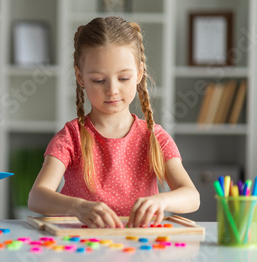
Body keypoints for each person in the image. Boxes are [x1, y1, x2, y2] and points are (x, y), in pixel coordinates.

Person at [28, 16, 200, 228]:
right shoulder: (71, 137)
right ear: (80, 77)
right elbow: (37, 196)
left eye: (124, 78)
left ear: (139, 72)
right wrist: (78, 207)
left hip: (138, 250)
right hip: (81, 249)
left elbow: (192, 196)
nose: (112, 90)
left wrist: (161, 201)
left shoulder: (154, 137)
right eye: (98, 80)